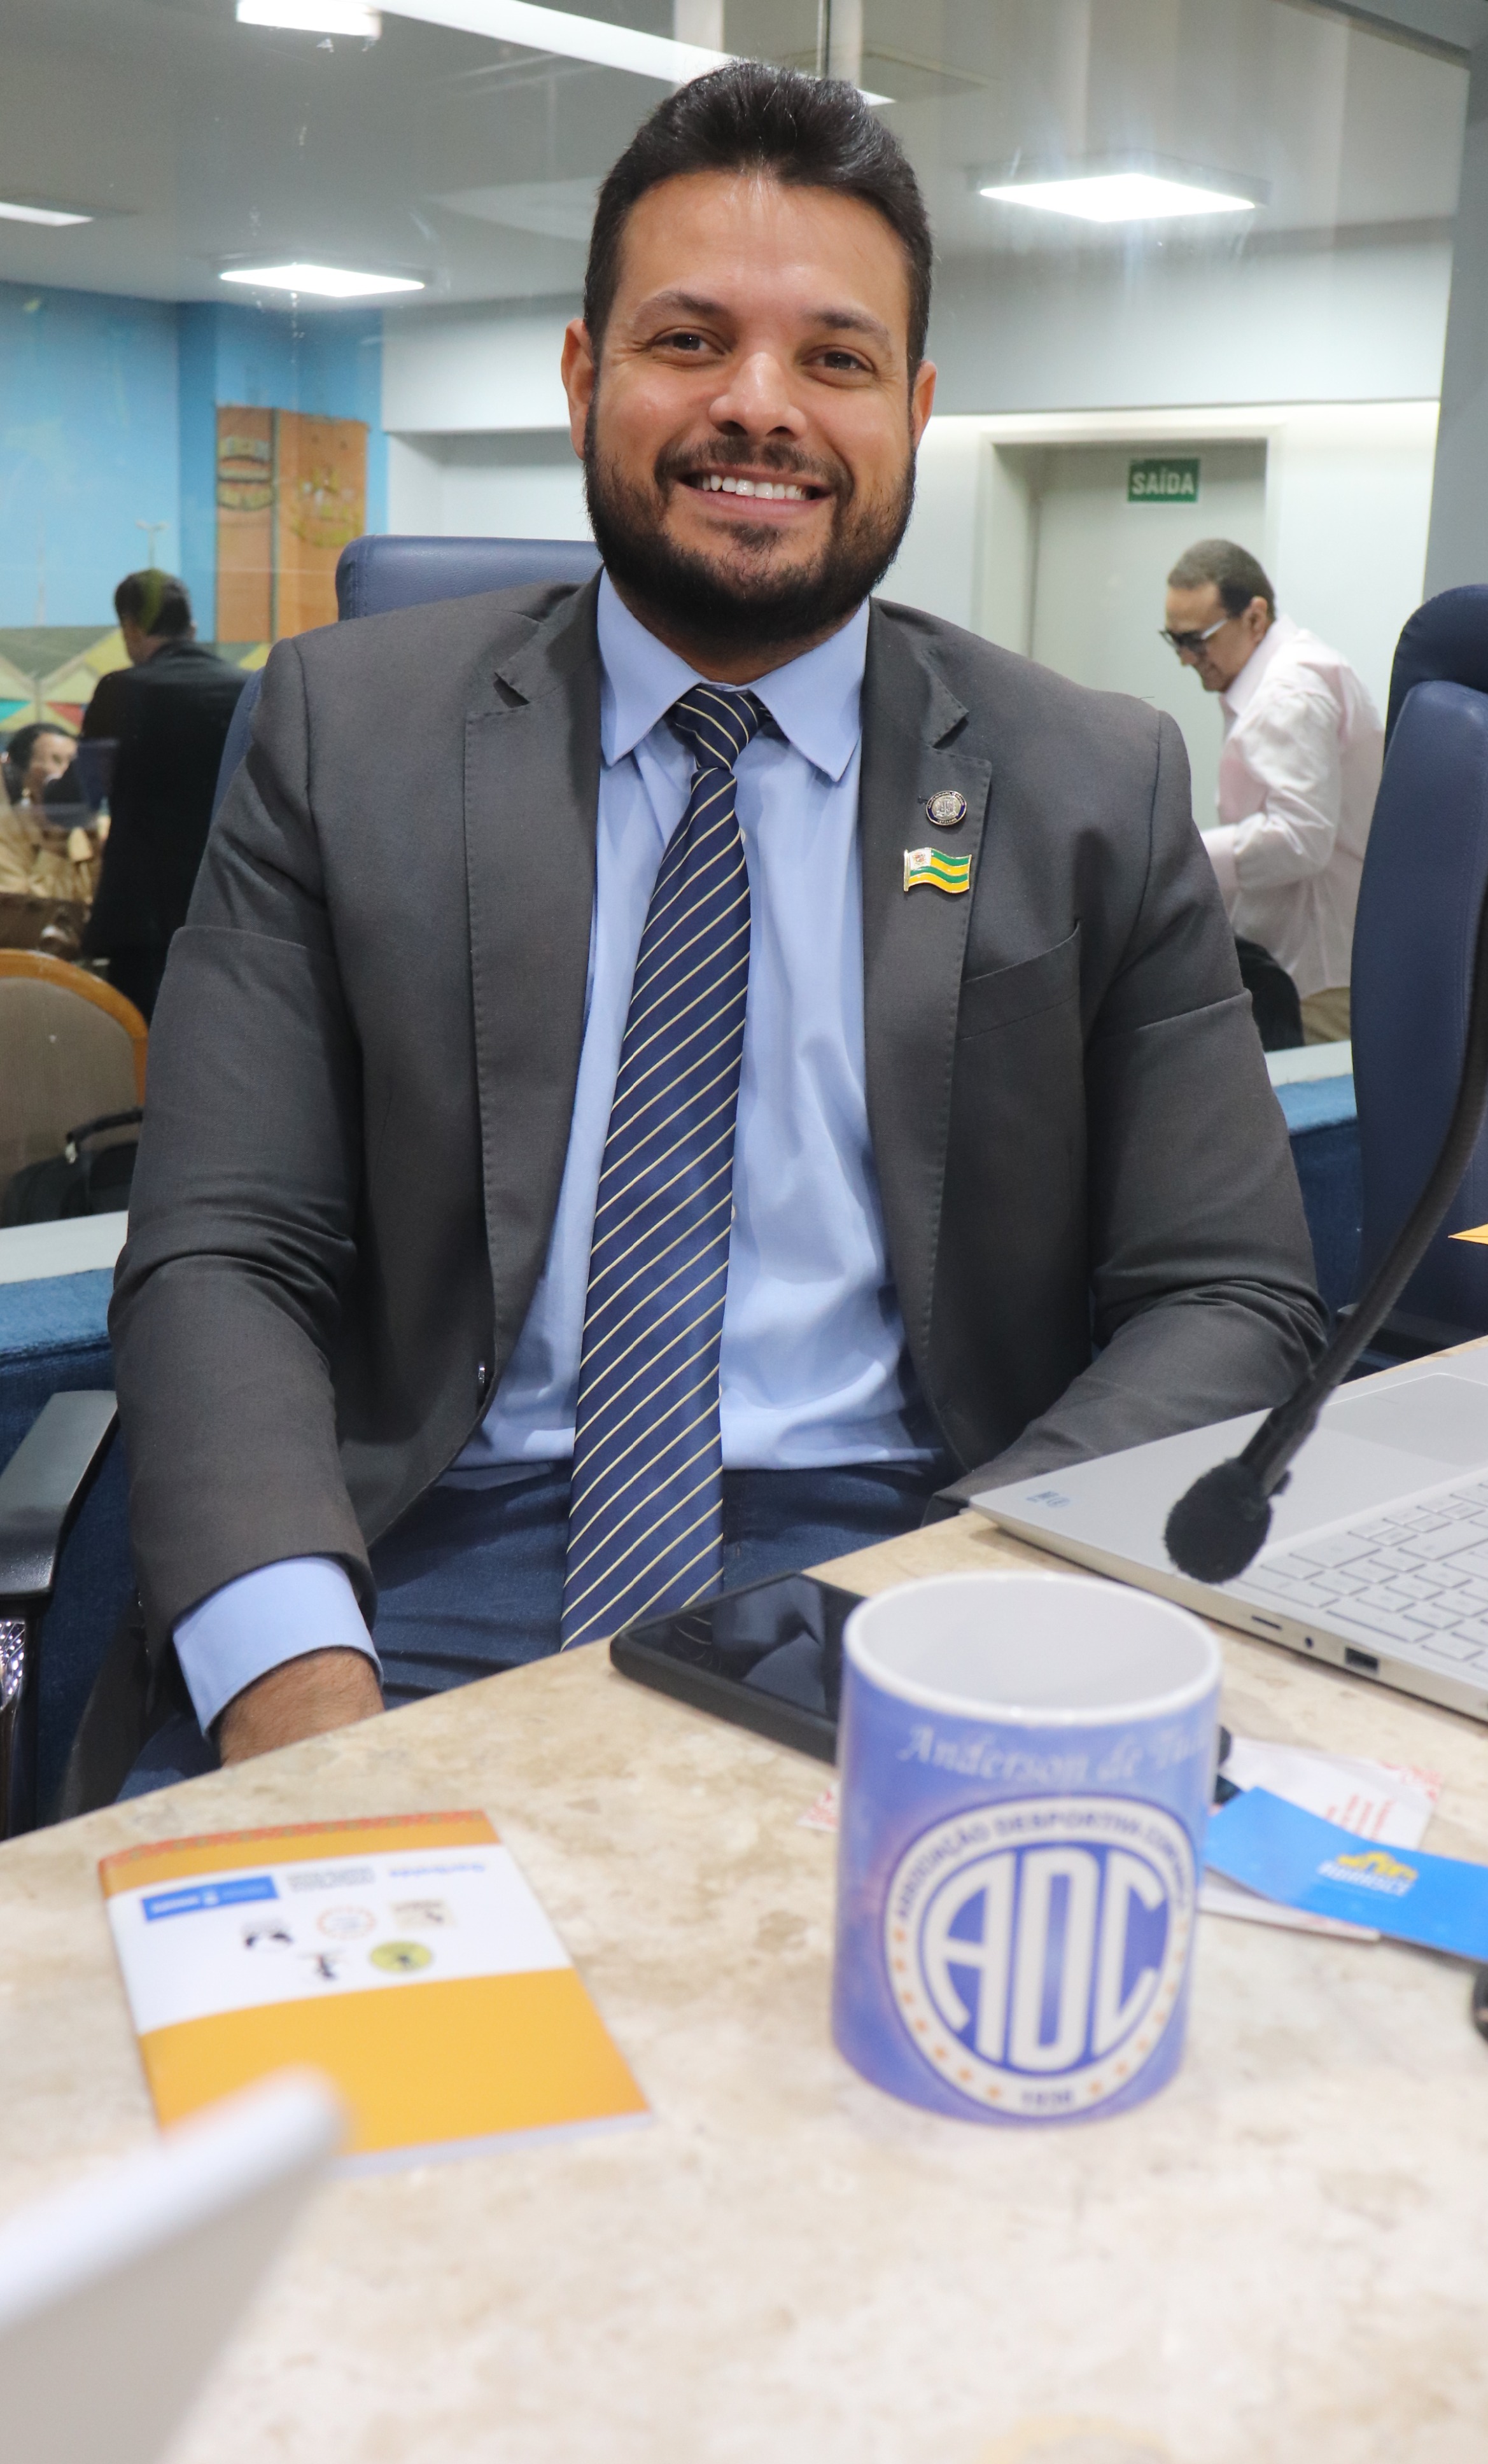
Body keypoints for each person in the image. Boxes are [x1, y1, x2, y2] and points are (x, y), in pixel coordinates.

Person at [108, 64, 1323, 1786]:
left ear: (910, 408)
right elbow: (223, 1253)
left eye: (834, 360)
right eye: (689, 342)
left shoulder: (1089, 783)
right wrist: (295, 1683)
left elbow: (1225, 1288)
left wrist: (979, 1604)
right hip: (418, 1565)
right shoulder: (342, 737)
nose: (759, 406)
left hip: (911, 1551)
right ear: (583, 378)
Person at [1162, 540, 1383, 1046]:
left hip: (1313, 976)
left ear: (1255, 618)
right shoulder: (1289, 676)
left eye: (1197, 640)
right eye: (1174, 641)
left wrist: (1182, 854)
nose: (1185, 659)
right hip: (1307, 966)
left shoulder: (1289, 693)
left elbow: (1299, 838)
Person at [78, 571, 248, 1019]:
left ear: (131, 628)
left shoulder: (120, 691)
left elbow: (80, 799)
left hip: (142, 917)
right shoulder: (246, 688)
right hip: (229, 903)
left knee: (140, 1039)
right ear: (192, 627)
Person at [0, 723, 99, 908]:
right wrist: (56, 842)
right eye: (57, 761)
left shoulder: (95, 829)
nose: (68, 776)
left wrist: (96, 843)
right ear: (19, 775)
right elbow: (22, 916)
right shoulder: (6, 837)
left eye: (72, 763)